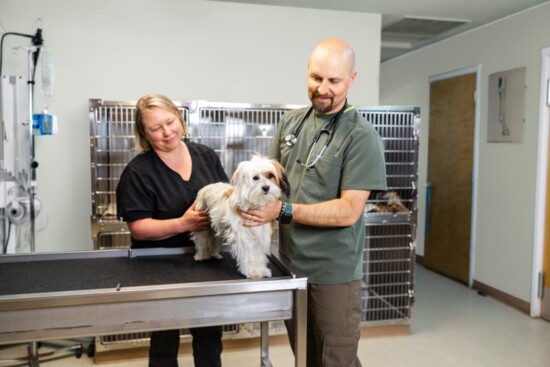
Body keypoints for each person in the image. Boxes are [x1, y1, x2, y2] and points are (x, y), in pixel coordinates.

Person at [242, 38, 387, 366]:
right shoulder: (291, 123)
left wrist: (282, 211)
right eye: (316, 78)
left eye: (334, 81)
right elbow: (271, 182)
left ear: (351, 79)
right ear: (308, 73)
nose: (323, 88)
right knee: (305, 355)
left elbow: (349, 211)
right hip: (291, 264)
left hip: (332, 272)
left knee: (335, 357)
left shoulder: (361, 137)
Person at [116, 93, 227, 367]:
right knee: (164, 341)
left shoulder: (206, 156)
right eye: (156, 128)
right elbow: (139, 228)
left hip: (206, 260)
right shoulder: (138, 172)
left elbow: (225, 197)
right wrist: (183, 223)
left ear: (180, 117)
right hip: (160, 266)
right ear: (144, 132)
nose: (167, 132)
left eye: (170, 122)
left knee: (210, 339)